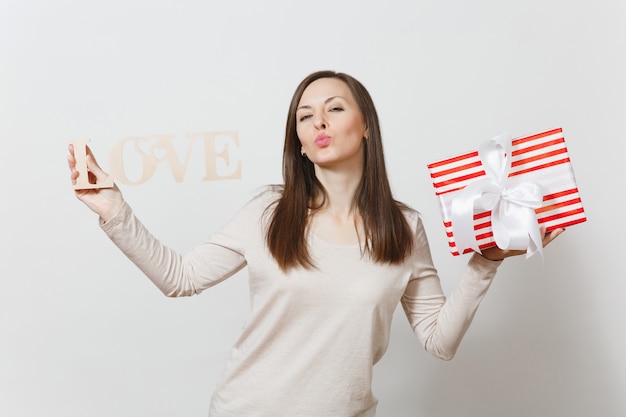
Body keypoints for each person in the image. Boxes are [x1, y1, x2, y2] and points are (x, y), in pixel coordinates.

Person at [67, 70, 564, 417]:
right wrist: (115, 209)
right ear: (299, 143)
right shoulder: (267, 213)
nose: (319, 121)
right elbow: (180, 279)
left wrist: (486, 262)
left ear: (365, 125)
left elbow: (439, 341)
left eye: (334, 107)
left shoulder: (404, 228)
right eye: (305, 117)